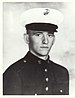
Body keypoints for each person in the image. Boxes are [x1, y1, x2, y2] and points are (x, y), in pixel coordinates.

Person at [3, 8, 69, 95]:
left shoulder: (61, 72)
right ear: (27, 38)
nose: (45, 41)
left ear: (54, 40)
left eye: (49, 35)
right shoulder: (14, 73)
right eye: (38, 34)